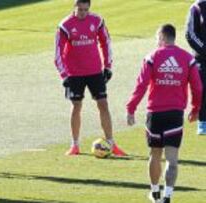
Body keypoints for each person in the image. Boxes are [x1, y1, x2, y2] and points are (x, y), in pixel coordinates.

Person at [126, 24, 202, 203]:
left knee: (155, 155)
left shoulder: (152, 57)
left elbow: (141, 85)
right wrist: (195, 108)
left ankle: (155, 192)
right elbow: (197, 87)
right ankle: (168, 195)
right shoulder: (187, 58)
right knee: (172, 158)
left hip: (155, 114)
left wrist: (131, 108)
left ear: (161, 37)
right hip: (175, 114)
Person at [54, 0, 126, 156]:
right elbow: (57, 52)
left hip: (94, 71)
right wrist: (64, 74)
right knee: (76, 106)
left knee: (103, 104)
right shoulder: (65, 25)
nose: (82, 13)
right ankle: (74, 145)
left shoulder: (97, 21)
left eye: (85, 10)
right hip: (74, 74)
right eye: (80, 9)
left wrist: (107, 66)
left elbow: (106, 42)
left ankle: (111, 143)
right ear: (74, 7)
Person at [185, 0, 206, 135]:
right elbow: (190, 34)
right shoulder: (198, 7)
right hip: (202, 58)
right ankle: (203, 122)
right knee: (203, 88)